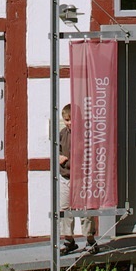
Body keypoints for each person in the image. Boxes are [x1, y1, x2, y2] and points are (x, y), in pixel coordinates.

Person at [56, 104, 97, 254]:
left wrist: (72, 161)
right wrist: (59, 158)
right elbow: (56, 151)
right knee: (65, 209)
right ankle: (69, 240)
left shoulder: (86, 135)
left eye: (71, 119)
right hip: (66, 176)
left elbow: (89, 155)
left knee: (84, 209)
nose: (68, 122)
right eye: (66, 120)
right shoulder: (62, 134)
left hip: (82, 178)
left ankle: (90, 240)